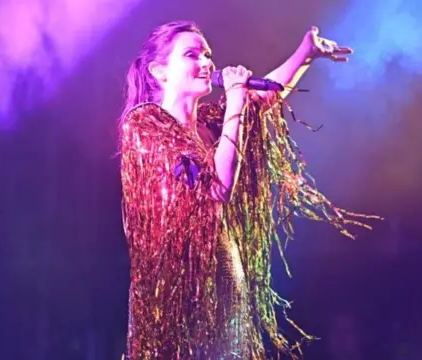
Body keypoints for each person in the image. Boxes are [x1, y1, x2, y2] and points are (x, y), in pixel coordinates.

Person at [119, 20, 379, 359]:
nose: (206, 63)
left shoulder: (211, 124)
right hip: (173, 293)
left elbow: (261, 98)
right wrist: (237, 99)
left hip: (224, 274)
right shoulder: (145, 124)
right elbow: (218, 188)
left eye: (208, 55)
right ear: (160, 71)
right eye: (191, 54)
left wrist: (306, 52)